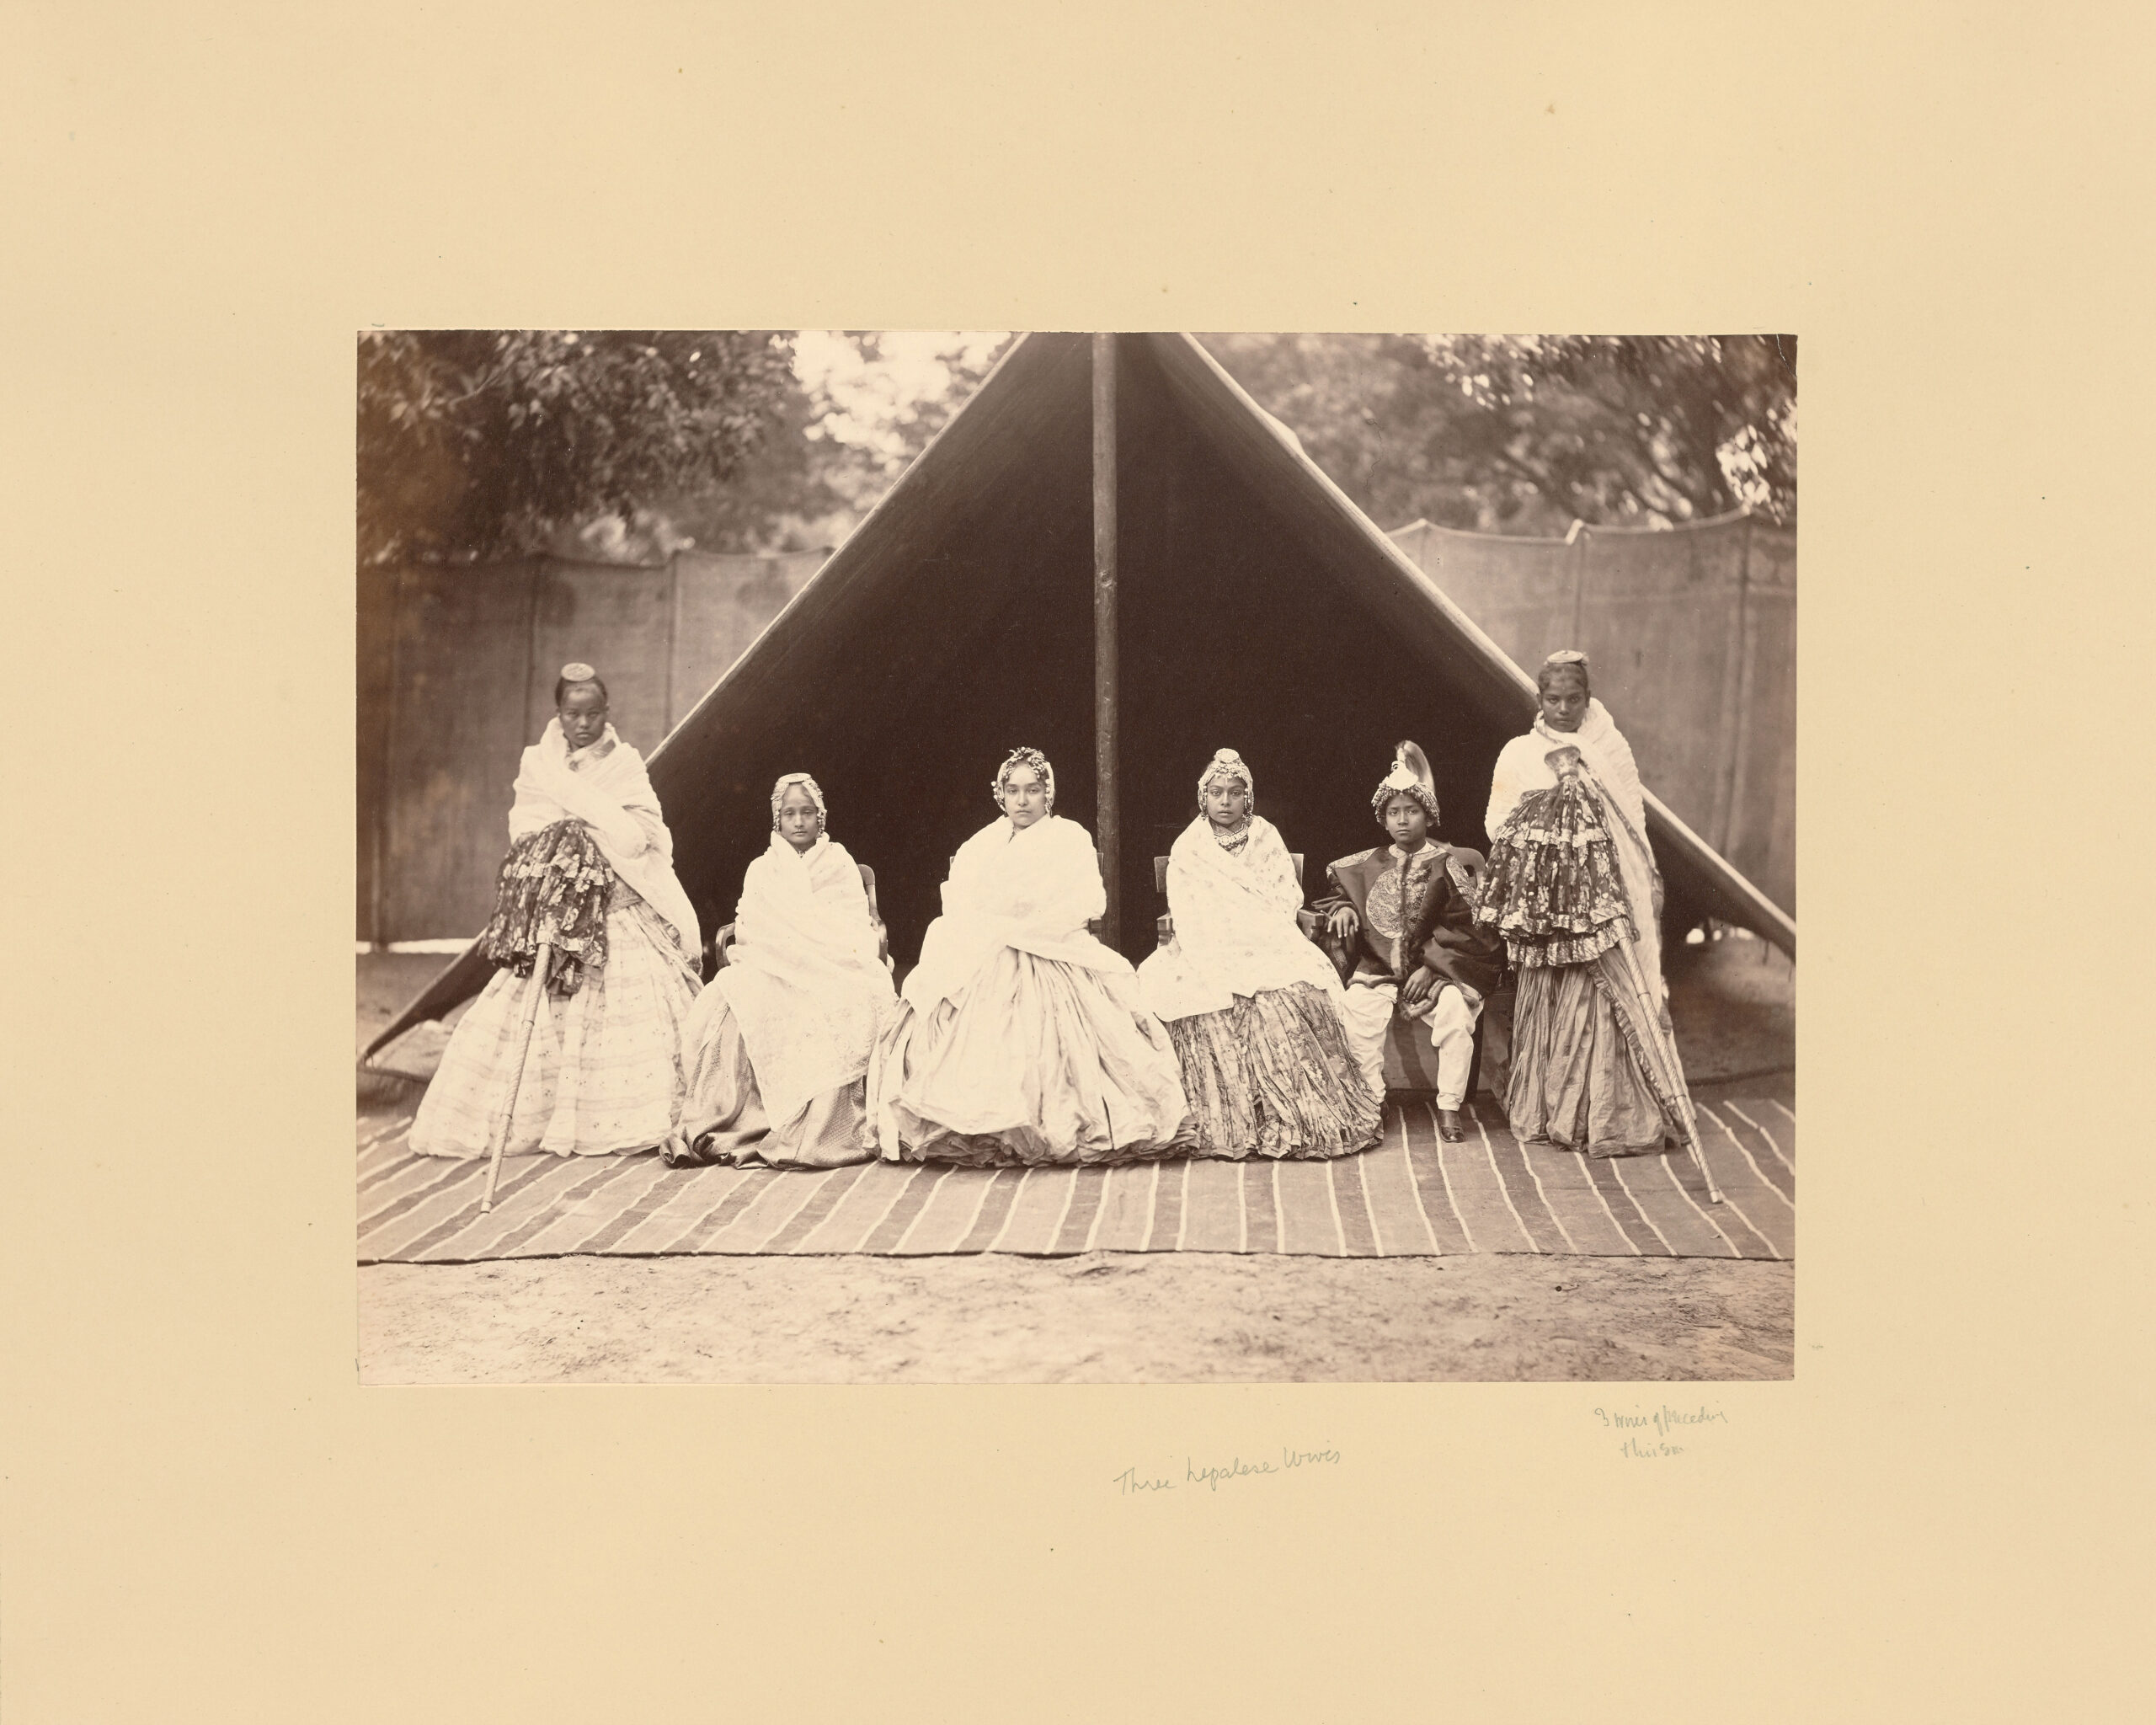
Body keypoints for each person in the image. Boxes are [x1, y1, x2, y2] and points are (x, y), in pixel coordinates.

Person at [411, 665, 702, 1159]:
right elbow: (525, 829)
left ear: (607, 713)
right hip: (561, 907)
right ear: (559, 715)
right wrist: (564, 841)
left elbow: (641, 836)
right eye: (573, 714)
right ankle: (543, 1116)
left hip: (617, 898)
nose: (583, 724)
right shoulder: (539, 765)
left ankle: (623, 1117)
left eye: (593, 714)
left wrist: (587, 833)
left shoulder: (625, 763)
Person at [867, 747, 1192, 1167]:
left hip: (1050, 947)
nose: (1022, 801)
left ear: (1048, 793)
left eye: (1033, 790)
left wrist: (1019, 917)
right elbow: (962, 900)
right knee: (960, 997)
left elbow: (1086, 901)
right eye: (1013, 790)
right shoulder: (982, 843)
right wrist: (998, 920)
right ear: (1001, 794)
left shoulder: (1069, 837)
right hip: (989, 945)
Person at [1479, 649, 1700, 1158]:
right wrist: (1552, 812)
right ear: (1539, 699)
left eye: (1573, 699)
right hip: (1547, 904)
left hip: (1602, 896)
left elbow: (1632, 823)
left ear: (1587, 699)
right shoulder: (1518, 752)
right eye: (1553, 699)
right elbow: (1497, 823)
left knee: (1605, 993)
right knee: (1554, 990)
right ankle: (1552, 1109)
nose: (1563, 709)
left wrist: (1626, 869)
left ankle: (1607, 1112)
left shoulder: (1609, 747)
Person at [1138, 749, 1380, 1159]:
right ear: (1203, 797)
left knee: (1294, 993)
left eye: (1235, 793)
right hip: (1207, 943)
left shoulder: (1265, 835)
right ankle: (1229, 1120)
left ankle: (1296, 1112)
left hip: (1264, 938)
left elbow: (1284, 897)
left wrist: (1250, 930)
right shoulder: (1190, 845)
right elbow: (1188, 908)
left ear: (1247, 797)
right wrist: (1220, 938)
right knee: (1197, 999)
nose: (1225, 801)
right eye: (1217, 792)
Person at [663, 774, 898, 1169]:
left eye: (807, 812)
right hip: (773, 962)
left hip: (831, 962)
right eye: (790, 814)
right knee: (738, 1001)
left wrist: (811, 951)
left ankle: (817, 1127)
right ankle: (742, 1118)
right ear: (778, 819)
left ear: (821, 817)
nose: (799, 821)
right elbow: (750, 925)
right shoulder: (762, 868)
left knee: (850, 999)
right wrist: (786, 952)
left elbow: (853, 924)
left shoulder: (839, 862)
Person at [1310, 741, 1505, 1144]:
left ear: (1428, 816)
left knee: (1456, 1015)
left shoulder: (1447, 866)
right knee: (1357, 1015)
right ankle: (1372, 1099)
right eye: (1394, 812)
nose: (1402, 820)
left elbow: (1471, 928)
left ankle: (1449, 1105)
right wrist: (1342, 908)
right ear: (1383, 819)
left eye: (1412, 811)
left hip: (1438, 972)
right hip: (1378, 968)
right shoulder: (1367, 864)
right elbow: (1340, 893)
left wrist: (1432, 969)